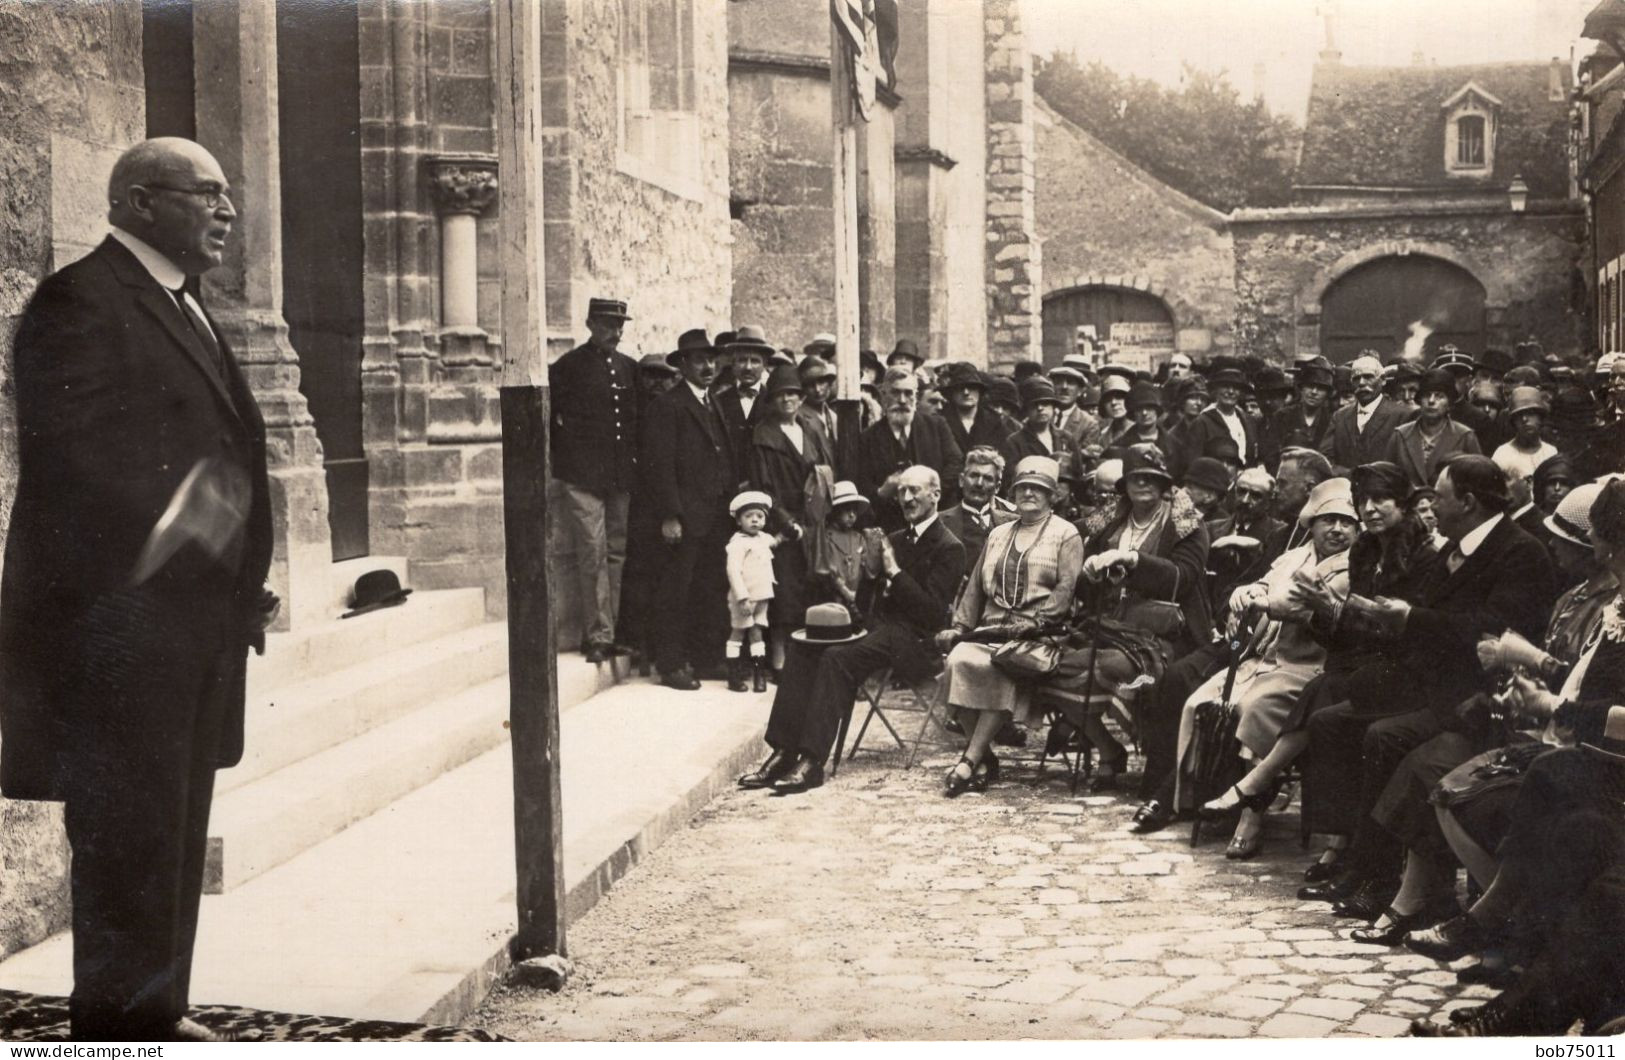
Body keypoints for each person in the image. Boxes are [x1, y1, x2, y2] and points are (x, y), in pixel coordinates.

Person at [0, 138, 276, 1042]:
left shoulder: (181, 304)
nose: (227, 211)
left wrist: (239, 574)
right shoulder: (80, 299)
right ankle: (117, 1028)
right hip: (118, 631)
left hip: (189, 626)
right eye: (208, 194)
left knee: (172, 830)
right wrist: (190, 529)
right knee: (125, 836)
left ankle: (155, 1009)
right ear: (138, 202)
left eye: (228, 194)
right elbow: (74, 459)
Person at [1297, 455, 1554, 920]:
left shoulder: (1519, 551)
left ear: (1469, 502)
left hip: (1474, 696)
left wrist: (1408, 619)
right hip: (1428, 683)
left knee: (1383, 736)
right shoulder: (1454, 549)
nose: (1430, 505)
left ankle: (1380, 878)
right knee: (1331, 722)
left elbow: (1494, 629)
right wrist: (1373, 616)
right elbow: (1418, 617)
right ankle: (1356, 860)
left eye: (1439, 496)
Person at [738, 466, 964, 794]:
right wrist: (871, 575)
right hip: (882, 630)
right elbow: (867, 604)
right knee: (803, 646)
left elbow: (932, 614)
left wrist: (894, 571)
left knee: (836, 657)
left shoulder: (949, 546)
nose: (907, 498)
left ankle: (813, 761)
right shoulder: (896, 539)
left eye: (915, 490)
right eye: (901, 491)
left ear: (936, 495)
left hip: (919, 643)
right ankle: (785, 751)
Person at [1185, 478, 1356, 858]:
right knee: (1201, 700)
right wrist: (1243, 594)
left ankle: (1251, 814)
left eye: (1347, 522)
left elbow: (1299, 607)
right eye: (1328, 519)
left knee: (1254, 707)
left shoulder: (1352, 567)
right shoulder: (1293, 556)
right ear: (1311, 524)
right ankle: (1196, 794)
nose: (1338, 529)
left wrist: (1265, 602)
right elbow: (1262, 584)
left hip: (1308, 665)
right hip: (1263, 658)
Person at [935, 456, 1084, 796]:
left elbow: (1066, 588)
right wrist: (959, 626)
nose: (1029, 493)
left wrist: (1038, 623)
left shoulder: (1066, 534)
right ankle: (984, 756)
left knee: (998, 666)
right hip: (990, 629)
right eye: (1023, 488)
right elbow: (974, 586)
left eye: (1038, 489)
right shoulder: (999, 533)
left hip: (1037, 634)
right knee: (957, 661)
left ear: (1052, 496)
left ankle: (969, 760)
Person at [1078, 443, 1214, 794]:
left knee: (1111, 667)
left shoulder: (1187, 525)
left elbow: (1183, 577)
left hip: (1169, 632)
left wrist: (1135, 560)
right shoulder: (1109, 523)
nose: (1143, 484)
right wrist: (1090, 573)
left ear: (1165, 483)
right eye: (1136, 477)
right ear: (1124, 484)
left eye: (1152, 478)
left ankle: (1154, 754)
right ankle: (1109, 749)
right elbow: (1087, 581)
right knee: (1062, 665)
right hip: (1111, 625)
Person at [643, 329, 738, 691]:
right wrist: (670, 515)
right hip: (685, 516)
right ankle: (671, 663)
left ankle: (705, 657)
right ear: (683, 365)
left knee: (710, 588)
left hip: (715, 516)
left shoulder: (713, 402)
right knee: (676, 591)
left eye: (712, 359)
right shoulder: (668, 405)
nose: (709, 366)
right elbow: (660, 466)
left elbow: (721, 454)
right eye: (700, 360)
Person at [551, 296, 639, 663]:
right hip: (583, 478)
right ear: (589, 325)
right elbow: (552, 424)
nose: (614, 333)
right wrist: (568, 464)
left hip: (619, 477)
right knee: (592, 551)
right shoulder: (568, 367)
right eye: (606, 325)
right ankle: (597, 634)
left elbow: (634, 423)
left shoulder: (629, 368)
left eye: (619, 326)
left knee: (616, 553)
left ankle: (610, 631)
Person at [747, 363, 836, 676]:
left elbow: (825, 472)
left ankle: (805, 658)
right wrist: (785, 522)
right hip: (782, 525)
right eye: (782, 395)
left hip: (812, 522)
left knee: (812, 587)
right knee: (784, 592)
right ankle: (779, 659)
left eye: (794, 395)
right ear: (772, 400)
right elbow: (763, 486)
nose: (788, 401)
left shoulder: (810, 430)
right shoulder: (764, 435)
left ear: (801, 399)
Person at [855, 367, 964, 528]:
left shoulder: (936, 427)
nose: (902, 400)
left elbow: (955, 464)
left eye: (908, 393)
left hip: (934, 522)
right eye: (895, 393)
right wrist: (881, 492)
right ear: (884, 396)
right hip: (889, 526)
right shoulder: (867, 438)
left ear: (916, 397)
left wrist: (928, 492)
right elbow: (861, 484)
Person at [1386, 368, 1482, 488]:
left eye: (1439, 396)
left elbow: (1478, 482)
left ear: (1449, 404)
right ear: (1419, 401)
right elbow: (1387, 481)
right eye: (1426, 395)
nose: (1431, 401)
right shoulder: (1399, 435)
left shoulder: (1465, 437)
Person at [723, 491, 780, 692]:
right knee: (738, 633)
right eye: (749, 517)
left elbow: (775, 541)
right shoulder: (737, 544)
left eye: (760, 516)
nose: (755, 520)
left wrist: (788, 533)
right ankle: (734, 676)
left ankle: (759, 676)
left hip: (762, 597)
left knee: (757, 634)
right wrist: (742, 597)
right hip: (745, 599)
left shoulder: (763, 539)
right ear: (739, 521)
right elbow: (733, 571)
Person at [1325, 354, 1413, 472]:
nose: (1361, 383)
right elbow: (1326, 459)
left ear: (1383, 380)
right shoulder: (1339, 416)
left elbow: (1407, 463)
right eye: (1356, 378)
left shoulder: (1403, 415)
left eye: (1368, 377)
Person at [938, 446, 1015, 565]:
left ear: (997, 487)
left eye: (988, 478)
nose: (979, 484)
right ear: (961, 480)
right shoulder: (939, 522)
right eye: (974, 476)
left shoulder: (1012, 523)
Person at [999, 376, 1077, 493]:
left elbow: (1078, 476)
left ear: (1053, 407)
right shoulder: (1014, 442)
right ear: (1026, 410)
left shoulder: (1066, 438)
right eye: (1034, 404)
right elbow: (1010, 483)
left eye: (1045, 403)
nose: (1040, 408)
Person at [1177, 364, 1258, 476]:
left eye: (1235, 388)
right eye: (1225, 386)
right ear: (1216, 390)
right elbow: (1193, 464)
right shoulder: (1202, 422)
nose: (1230, 391)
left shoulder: (1248, 421)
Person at [1262, 356, 1334, 472]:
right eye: (1310, 386)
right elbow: (1270, 456)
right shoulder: (1281, 417)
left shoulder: (1332, 420)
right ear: (1301, 388)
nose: (1314, 392)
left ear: (1327, 393)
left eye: (1320, 388)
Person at [715, 326, 773, 466]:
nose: (748, 367)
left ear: (764, 365)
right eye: (742, 360)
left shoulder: (774, 402)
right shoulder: (718, 402)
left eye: (755, 361)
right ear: (733, 363)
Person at [938, 362, 1008, 457]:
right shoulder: (940, 421)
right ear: (952, 393)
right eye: (960, 388)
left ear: (980, 391)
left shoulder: (995, 422)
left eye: (972, 387)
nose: (966, 392)